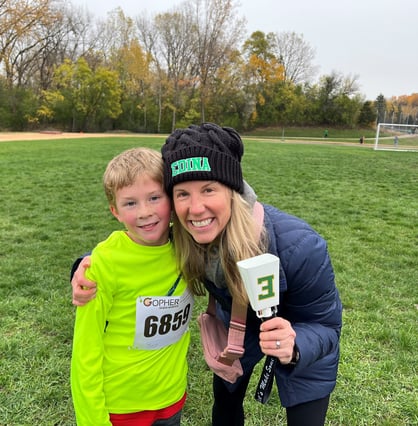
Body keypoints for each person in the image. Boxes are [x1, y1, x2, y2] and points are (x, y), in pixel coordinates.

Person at [72, 123, 342, 426]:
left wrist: (296, 344)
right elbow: (138, 250)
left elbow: (325, 325)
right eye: (183, 193)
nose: (196, 209)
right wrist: (84, 267)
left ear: (232, 190)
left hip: (300, 336)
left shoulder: (300, 247)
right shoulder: (186, 236)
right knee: (226, 406)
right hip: (236, 332)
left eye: (209, 189)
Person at [71, 147, 193, 426]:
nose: (145, 212)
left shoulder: (188, 246)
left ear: (172, 198)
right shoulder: (104, 264)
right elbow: (85, 352)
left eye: (154, 197)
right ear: (115, 211)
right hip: (121, 407)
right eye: (130, 203)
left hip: (171, 398)